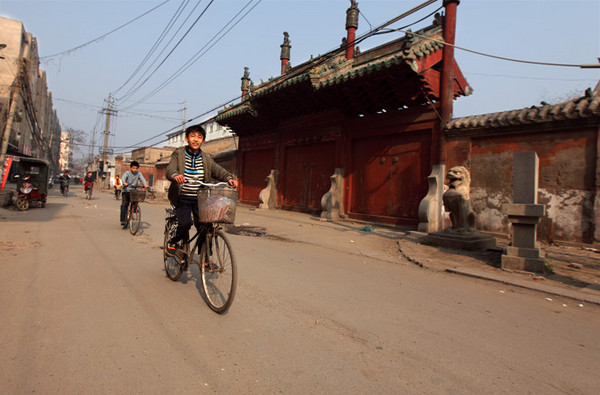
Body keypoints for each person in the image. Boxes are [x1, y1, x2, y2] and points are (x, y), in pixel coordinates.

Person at [165, 124, 238, 253]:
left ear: (203, 141)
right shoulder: (179, 154)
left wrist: (228, 178)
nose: (196, 139)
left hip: (200, 199)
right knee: (186, 223)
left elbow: (217, 170)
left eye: (199, 137)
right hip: (183, 197)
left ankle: (206, 260)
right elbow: (171, 168)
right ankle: (174, 241)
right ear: (186, 139)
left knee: (205, 227)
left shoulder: (206, 157)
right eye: (192, 136)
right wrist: (176, 175)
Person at [120, 161, 147, 227]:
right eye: (133, 168)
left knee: (136, 201)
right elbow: (123, 178)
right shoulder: (127, 173)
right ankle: (123, 220)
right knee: (124, 205)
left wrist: (145, 184)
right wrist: (124, 183)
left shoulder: (138, 173)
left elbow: (142, 179)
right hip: (126, 190)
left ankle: (133, 210)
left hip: (134, 190)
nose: (135, 170)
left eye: (136, 168)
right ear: (131, 168)